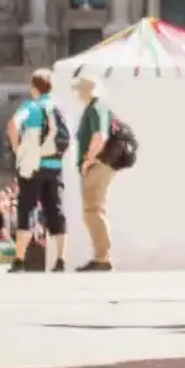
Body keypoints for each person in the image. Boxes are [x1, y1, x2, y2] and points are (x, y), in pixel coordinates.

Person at [8, 68, 68, 272]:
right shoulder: (58, 108)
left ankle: (19, 260)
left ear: (34, 88)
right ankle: (61, 259)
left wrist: (17, 149)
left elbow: (13, 125)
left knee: (27, 209)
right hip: (55, 166)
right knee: (55, 210)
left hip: (32, 166)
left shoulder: (30, 107)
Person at [72, 75, 115, 272]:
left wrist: (88, 160)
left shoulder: (95, 108)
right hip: (99, 164)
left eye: (79, 89)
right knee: (94, 210)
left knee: (93, 210)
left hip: (97, 165)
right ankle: (101, 255)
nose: (77, 93)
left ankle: (102, 257)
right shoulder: (97, 107)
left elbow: (100, 136)